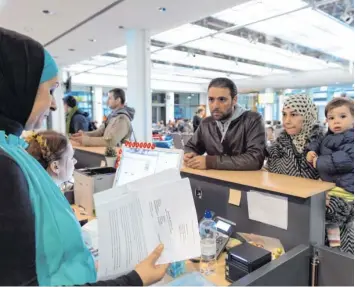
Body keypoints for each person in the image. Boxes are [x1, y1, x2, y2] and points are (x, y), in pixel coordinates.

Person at [0, 27, 167, 286]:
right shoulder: (5, 165)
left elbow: (110, 140)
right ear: (19, 85)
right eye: (50, 90)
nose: (54, 104)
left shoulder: (10, 151)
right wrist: (135, 279)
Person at [266, 94, 353, 254]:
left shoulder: (327, 142)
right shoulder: (279, 147)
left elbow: (347, 197)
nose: (287, 120)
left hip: (330, 232)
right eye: (284, 114)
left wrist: (327, 202)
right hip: (289, 226)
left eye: (294, 114)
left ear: (307, 115)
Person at [184, 77, 266, 170]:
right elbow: (190, 147)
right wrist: (189, 154)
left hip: (244, 182)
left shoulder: (252, 119)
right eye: (211, 99)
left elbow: (255, 159)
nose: (215, 106)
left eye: (222, 99)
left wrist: (210, 162)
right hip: (214, 181)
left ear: (234, 100)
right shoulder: (206, 123)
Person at [306, 97, 354, 252]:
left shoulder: (351, 138)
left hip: (345, 190)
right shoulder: (328, 136)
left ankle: (337, 249)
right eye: (331, 118)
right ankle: (334, 246)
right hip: (331, 186)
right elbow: (317, 143)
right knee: (329, 223)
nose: (336, 122)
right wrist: (311, 152)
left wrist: (318, 161)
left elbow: (344, 161)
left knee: (330, 213)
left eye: (342, 116)